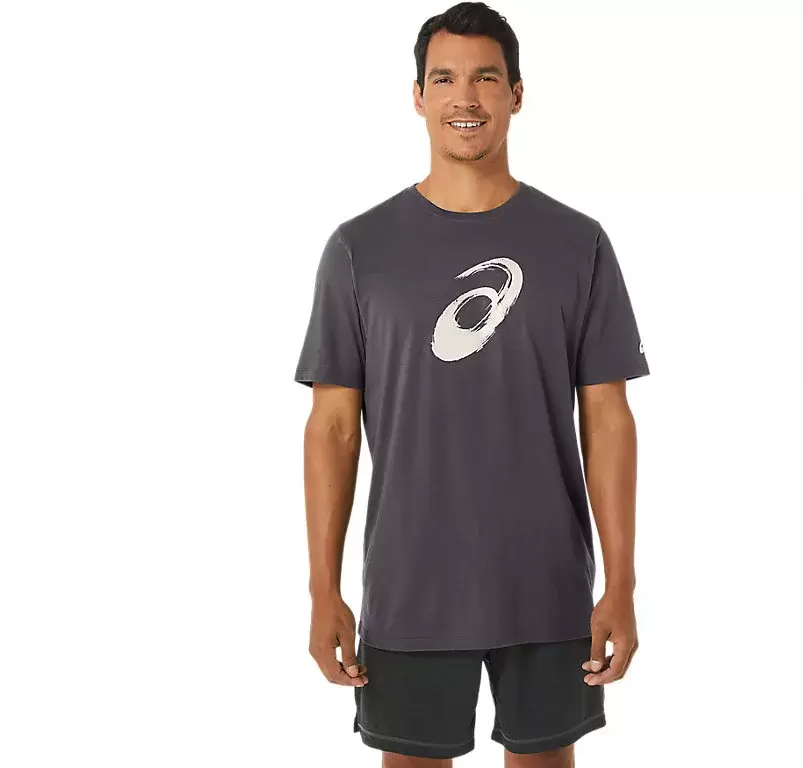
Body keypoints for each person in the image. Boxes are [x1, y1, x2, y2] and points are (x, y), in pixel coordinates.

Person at [294, 3, 650, 764]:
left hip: (546, 587)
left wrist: (621, 582)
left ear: (516, 94)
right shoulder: (359, 249)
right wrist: (323, 588)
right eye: (444, 79)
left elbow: (609, 418)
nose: (465, 97)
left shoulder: (578, 243)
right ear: (417, 96)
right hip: (410, 588)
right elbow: (332, 427)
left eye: (486, 78)